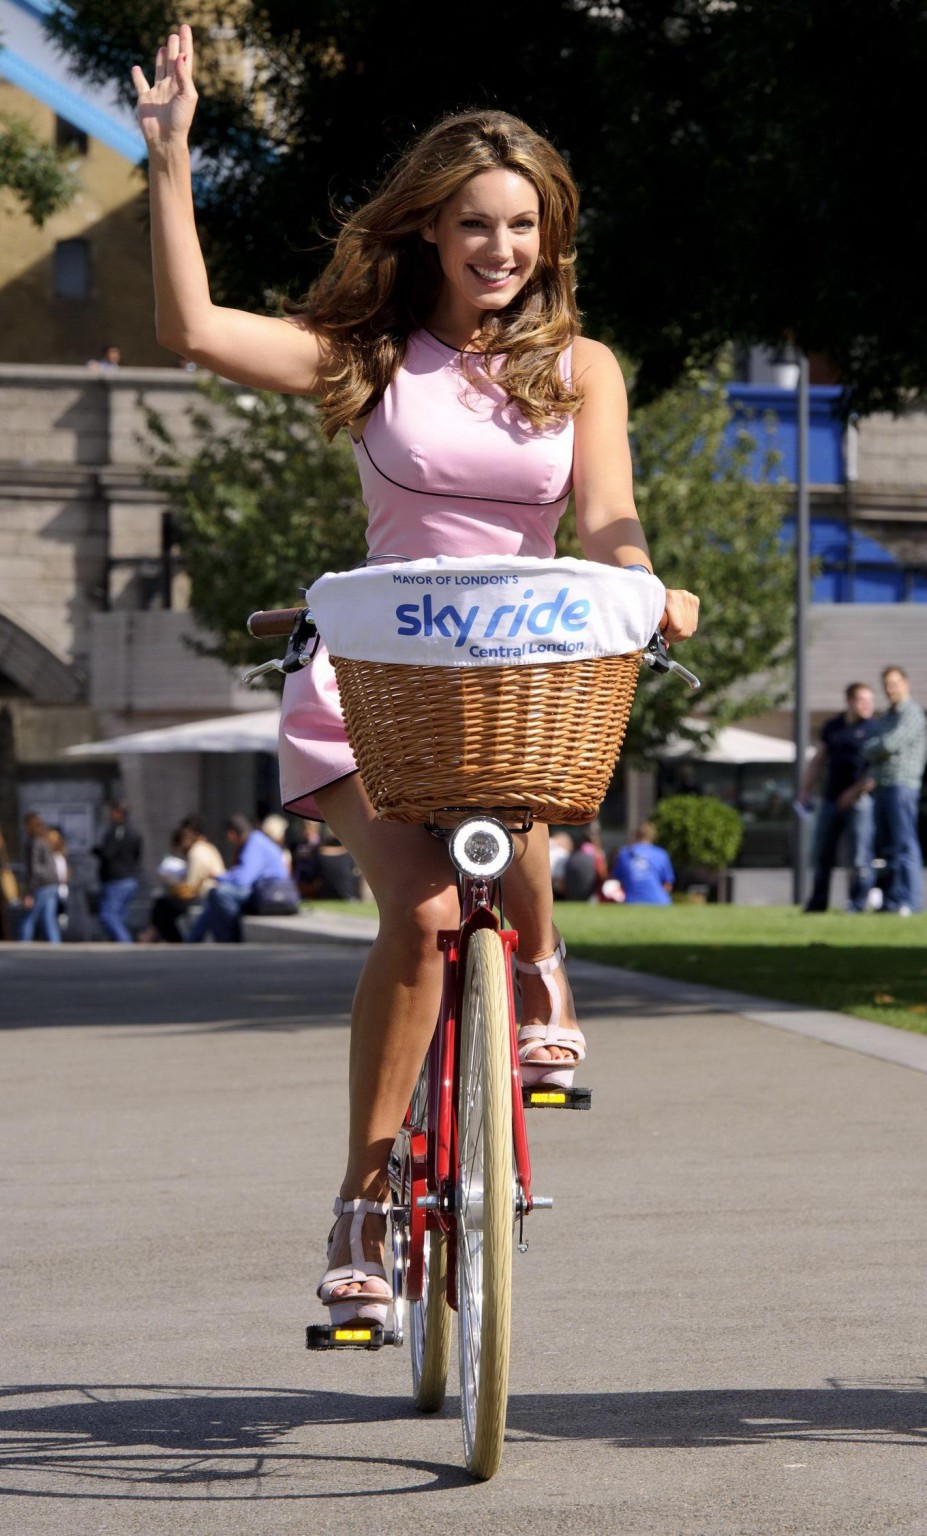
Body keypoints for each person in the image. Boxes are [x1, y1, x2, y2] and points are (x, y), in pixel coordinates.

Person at [132, 26, 700, 1328]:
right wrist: (170, 161)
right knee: (428, 919)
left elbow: (606, 518)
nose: (499, 248)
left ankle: (543, 975)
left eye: (523, 226)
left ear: (549, 240)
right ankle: (362, 1203)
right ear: (431, 235)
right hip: (373, 682)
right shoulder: (373, 358)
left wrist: (644, 579)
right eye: (472, 224)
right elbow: (194, 331)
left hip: (511, 680)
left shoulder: (579, 371)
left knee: (524, 779)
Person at [844, 666, 927, 915]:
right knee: (888, 849)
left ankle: (910, 901)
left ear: (906, 683)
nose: (891, 689)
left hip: (903, 786)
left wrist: (879, 748)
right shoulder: (886, 716)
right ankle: (892, 901)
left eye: (895, 683)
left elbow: (889, 743)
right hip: (882, 786)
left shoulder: (912, 713)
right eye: (887, 685)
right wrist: (880, 750)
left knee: (905, 845)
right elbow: (869, 747)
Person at [799, 681, 878, 913]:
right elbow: (818, 759)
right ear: (850, 701)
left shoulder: (875, 728)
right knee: (822, 853)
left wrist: (853, 793)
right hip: (831, 797)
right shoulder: (833, 726)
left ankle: (857, 903)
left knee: (859, 856)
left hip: (861, 800)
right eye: (862, 700)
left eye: (870, 701)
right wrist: (805, 789)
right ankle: (817, 903)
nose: (867, 705)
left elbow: (875, 772)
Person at [185, 813, 289, 942]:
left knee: (220, 893)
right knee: (214, 895)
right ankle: (194, 940)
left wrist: (220, 877)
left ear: (232, 834)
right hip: (266, 889)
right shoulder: (258, 840)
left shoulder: (254, 842)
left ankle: (229, 940)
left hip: (269, 891)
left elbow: (243, 879)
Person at [93, 800, 143, 942]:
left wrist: (97, 850)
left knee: (108, 915)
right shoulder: (134, 831)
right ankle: (119, 946)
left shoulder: (118, 831)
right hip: (129, 879)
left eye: (112, 811)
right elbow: (137, 855)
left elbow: (109, 853)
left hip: (117, 879)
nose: (110, 815)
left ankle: (125, 943)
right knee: (118, 916)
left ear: (119, 813)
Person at [18, 812, 62, 943]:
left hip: (41, 885)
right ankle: (56, 946)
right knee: (49, 919)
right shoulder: (46, 840)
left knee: (29, 918)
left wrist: (29, 892)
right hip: (53, 883)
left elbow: (35, 869)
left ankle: (23, 945)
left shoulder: (34, 842)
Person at [611, 821, 675, 905]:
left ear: (635, 836)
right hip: (659, 902)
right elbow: (668, 885)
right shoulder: (661, 854)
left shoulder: (624, 854)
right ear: (653, 836)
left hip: (632, 901)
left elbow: (617, 880)